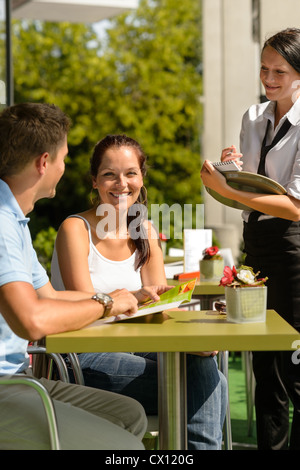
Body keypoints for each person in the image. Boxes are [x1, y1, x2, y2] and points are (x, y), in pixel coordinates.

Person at [51, 133, 228, 450]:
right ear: (94, 181)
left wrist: (196, 341)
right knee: (208, 383)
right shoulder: (75, 229)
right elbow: (87, 307)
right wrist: (133, 297)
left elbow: (163, 306)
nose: (121, 184)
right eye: (109, 174)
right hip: (82, 356)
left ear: (141, 177)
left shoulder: (144, 229)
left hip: (140, 345)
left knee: (202, 365)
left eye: (130, 173)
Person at [0, 102, 155, 450]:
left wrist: (129, 297)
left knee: (129, 416)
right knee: (127, 449)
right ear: (44, 163)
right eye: (63, 157)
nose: (63, 166)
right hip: (6, 387)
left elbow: (49, 297)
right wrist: (106, 303)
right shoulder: (2, 222)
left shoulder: (15, 219)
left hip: (18, 378)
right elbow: (33, 320)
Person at [200, 28, 300, 450]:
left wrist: (230, 190)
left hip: (294, 251)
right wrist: (229, 170)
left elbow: (295, 206)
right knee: (264, 371)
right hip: (254, 247)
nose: (269, 78)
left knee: (294, 369)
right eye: (264, 68)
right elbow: (249, 188)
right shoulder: (252, 117)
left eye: (280, 70)